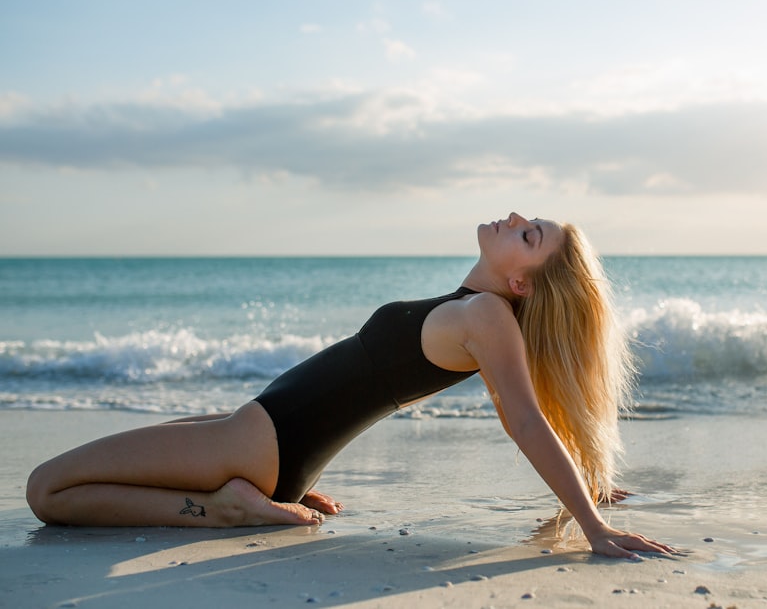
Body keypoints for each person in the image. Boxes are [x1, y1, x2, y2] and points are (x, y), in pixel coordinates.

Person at [26, 213, 678, 560]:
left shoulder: (485, 317)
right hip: (261, 437)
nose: (513, 216)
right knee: (79, 479)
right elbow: (519, 413)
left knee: (47, 489)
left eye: (529, 234)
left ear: (523, 283)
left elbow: (528, 419)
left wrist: (591, 524)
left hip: (254, 446)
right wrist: (587, 480)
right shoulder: (477, 311)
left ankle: (225, 508)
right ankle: (243, 496)